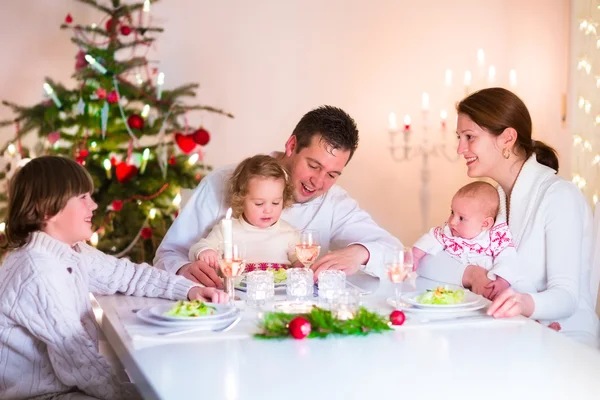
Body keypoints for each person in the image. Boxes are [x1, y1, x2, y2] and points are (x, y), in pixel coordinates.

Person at [0, 156, 228, 400]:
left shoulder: (69, 250)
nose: (94, 206)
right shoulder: (37, 270)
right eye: (83, 198)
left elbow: (127, 275)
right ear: (49, 209)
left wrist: (188, 290)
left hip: (68, 388)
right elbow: (79, 361)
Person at [417, 87, 598, 346]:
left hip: (564, 338)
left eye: (469, 137)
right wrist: (472, 274)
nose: (459, 148)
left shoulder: (559, 197)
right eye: (459, 137)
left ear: (507, 138)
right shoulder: (494, 201)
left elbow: (567, 297)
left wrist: (523, 302)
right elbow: (427, 260)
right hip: (513, 332)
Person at [155, 105, 401, 286]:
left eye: (332, 174)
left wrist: (360, 252)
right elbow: (168, 253)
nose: (318, 182)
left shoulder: (335, 203)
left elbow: (394, 250)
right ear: (292, 146)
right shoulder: (223, 182)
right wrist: (184, 268)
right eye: (313, 166)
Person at [413, 181, 535, 299]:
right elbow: (430, 239)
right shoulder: (449, 232)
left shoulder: (495, 237)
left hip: (494, 282)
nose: (452, 221)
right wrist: (415, 255)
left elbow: (508, 258)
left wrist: (503, 281)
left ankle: (536, 317)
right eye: (452, 212)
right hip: (464, 291)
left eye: (461, 218)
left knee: (519, 285)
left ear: (485, 223)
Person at [189, 154, 302, 271]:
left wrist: (301, 264)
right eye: (259, 203)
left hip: (280, 288)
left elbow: (299, 261)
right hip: (240, 288)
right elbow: (198, 247)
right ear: (241, 199)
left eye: (275, 203)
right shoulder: (227, 229)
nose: (268, 210)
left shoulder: (289, 232)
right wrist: (205, 251)